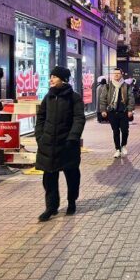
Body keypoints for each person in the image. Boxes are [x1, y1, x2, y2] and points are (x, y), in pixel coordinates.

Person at [35, 67, 86, 221]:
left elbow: (79, 118)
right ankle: (51, 207)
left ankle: (71, 202)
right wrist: (40, 136)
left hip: (67, 145)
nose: (51, 79)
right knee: (49, 178)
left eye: (54, 77)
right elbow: (41, 117)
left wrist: (73, 137)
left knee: (71, 175)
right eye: (51, 76)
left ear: (63, 79)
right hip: (48, 144)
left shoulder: (74, 97)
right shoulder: (48, 96)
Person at [100, 68, 135, 158]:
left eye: (118, 73)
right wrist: (103, 110)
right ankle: (117, 149)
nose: (116, 75)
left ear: (121, 74)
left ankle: (123, 145)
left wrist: (130, 110)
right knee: (115, 131)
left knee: (124, 130)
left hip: (123, 112)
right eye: (114, 73)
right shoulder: (108, 86)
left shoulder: (126, 86)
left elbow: (131, 98)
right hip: (112, 112)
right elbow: (103, 99)